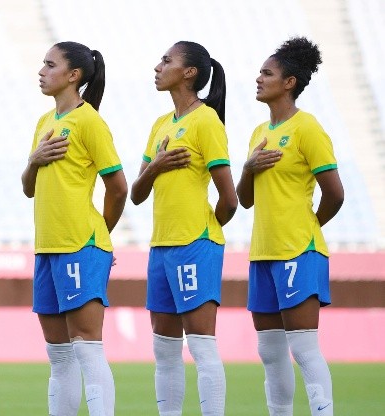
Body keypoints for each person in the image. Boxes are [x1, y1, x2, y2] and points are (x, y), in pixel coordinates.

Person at [236, 37, 344, 416]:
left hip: (298, 250)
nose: (259, 78)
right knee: (269, 350)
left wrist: (307, 227)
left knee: (303, 347)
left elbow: (335, 194)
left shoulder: (307, 128)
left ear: (289, 82)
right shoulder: (257, 134)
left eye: (267, 73)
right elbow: (245, 199)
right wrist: (248, 168)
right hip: (262, 252)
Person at [130, 41, 237, 416]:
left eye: (166, 60)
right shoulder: (161, 125)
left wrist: (202, 233)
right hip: (161, 246)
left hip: (195, 244)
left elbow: (229, 199)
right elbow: (137, 194)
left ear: (189, 72)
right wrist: (156, 166)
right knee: (164, 349)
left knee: (202, 345)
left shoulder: (206, 120)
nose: (158, 66)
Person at [22, 41, 128, 416]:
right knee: (59, 355)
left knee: (86, 347)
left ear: (74, 76)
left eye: (50, 65)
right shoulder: (44, 123)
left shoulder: (89, 121)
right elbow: (28, 187)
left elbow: (118, 188)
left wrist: (100, 238)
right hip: (47, 247)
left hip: (79, 245)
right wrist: (33, 161)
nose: (41, 71)